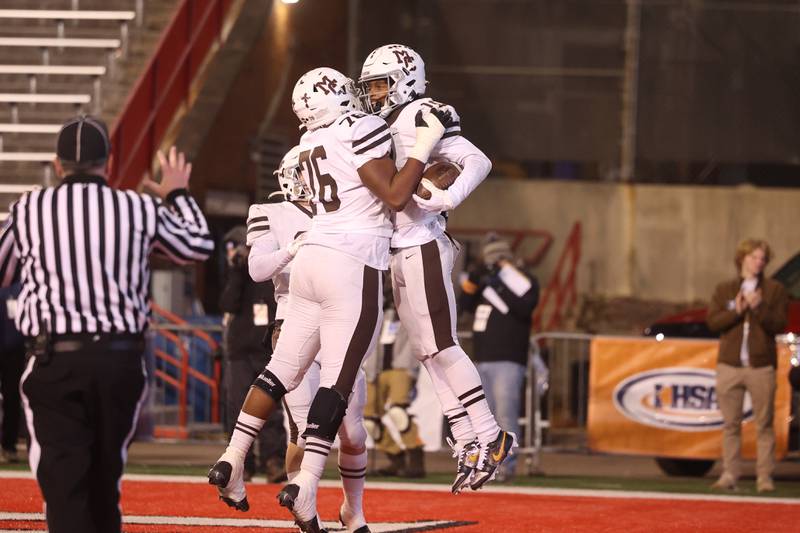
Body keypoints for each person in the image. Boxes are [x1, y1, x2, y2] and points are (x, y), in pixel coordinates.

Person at [208, 67, 451, 532]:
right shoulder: (360, 128)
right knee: (336, 384)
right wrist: (425, 145)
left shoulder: (302, 148)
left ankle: (233, 459)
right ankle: (308, 484)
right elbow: (397, 195)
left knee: (279, 371)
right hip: (351, 261)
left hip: (312, 259)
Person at [0, 115, 214, 533]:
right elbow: (198, 245)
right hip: (119, 361)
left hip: (54, 360)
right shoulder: (138, 206)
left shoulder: (29, 209)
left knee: (65, 487)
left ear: (57, 165)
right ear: (109, 164)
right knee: (103, 483)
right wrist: (179, 194)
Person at [358, 43, 515, 492]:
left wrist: (446, 198)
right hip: (400, 247)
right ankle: (467, 437)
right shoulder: (392, 121)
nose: (374, 93)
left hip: (422, 242)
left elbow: (477, 161)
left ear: (405, 80)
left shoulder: (417, 112)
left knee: (442, 344)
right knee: (427, 351)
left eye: (380, 83)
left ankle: (490, 432)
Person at [245, 146, 372, 532]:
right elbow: (257, 269)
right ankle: (306, 512)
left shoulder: (341, 214)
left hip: (340, 326)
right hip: (295, 325)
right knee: (303, 429)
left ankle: (354, 508)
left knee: (352, 432)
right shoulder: (271, 212)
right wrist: (291, 249)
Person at [707, 238, 788, 493]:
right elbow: (713, 323)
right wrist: (738, 311)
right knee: (730, 424)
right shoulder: (724, 289)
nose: (759, 262)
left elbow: (779, 325)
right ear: (742, 258)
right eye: (754, 257)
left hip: (760, 366)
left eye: (763, 258)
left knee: (764, 424)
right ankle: (730, 474)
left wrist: (759, 307)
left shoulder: (774, 290)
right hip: (729, 366)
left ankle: (764, 477)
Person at [459, 236, 539, 481]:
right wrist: (475, 278)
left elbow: (525, 307)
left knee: (505, 414)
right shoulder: (485, 282)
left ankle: (506, 465)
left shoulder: (524, 281)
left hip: (508, 357)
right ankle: (485, 465)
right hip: (482, 356)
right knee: (484, 417)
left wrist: (501, 281)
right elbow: (465, 304)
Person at [219, 225, 286, 483]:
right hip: (239, 349)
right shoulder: (237, 275)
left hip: (265, 347)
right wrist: (237, 272)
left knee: (270, 406)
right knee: (236, 405)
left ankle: (273, 459)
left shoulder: (269, 268)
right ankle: (243, 463)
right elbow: (227, 304)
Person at [364, 289, 426, 478]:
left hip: (402, 366)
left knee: (398, 412)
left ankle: (416, 458)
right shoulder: (379, 306)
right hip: (376, 368)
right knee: (368, 421)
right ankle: (396, 458)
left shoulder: (412, 303)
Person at [0, 282, 24, 463]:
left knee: (12, 397)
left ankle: (9, 446)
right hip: (11, 348)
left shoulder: (18, 290)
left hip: (13, 351)